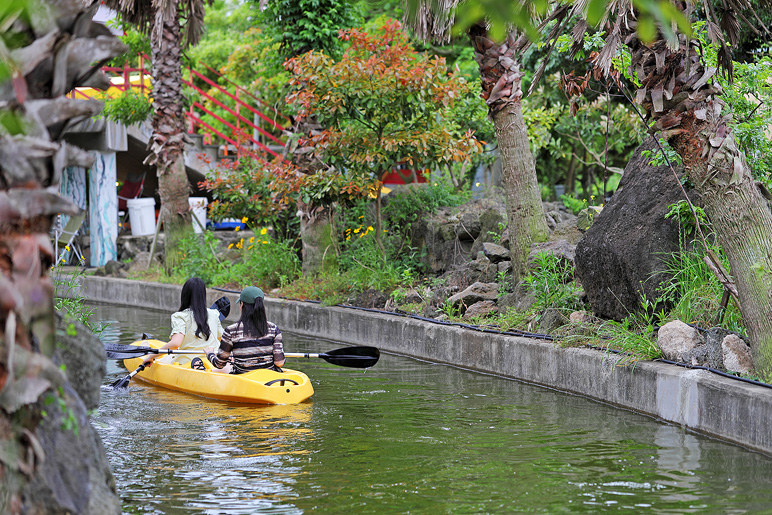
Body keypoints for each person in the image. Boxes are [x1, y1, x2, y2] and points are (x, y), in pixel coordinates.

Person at [144, 277, 223, 368]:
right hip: (212, 361)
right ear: (203, 295)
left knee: (161, 359)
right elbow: (223, 340)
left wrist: (151, 357)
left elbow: (175, 343)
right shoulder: (214, 314)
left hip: (188, 363)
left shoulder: (180, 316)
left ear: (185, 295)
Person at [206, 286, 285, 374]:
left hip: (243, 380)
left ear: (242, 305)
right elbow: (279, 362)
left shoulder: (231, 331)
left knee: (226, 367)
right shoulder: (273, 328)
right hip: (268, 380)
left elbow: (219, 364)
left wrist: (210, 354)